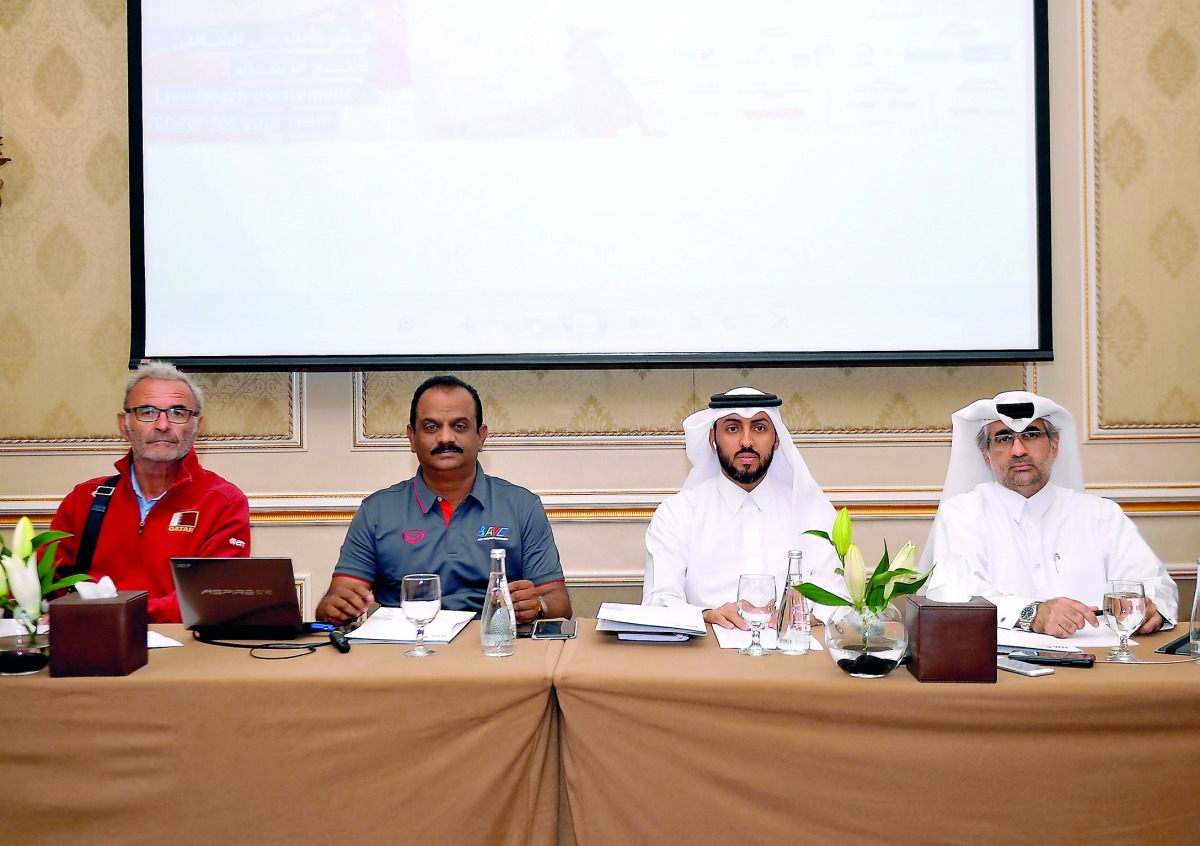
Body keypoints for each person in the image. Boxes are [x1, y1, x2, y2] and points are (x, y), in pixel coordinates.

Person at [316, 375, 571, 625]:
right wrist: (336, 606)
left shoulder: (522, 506)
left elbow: (558, 601)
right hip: (405, 651)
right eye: (431, 427)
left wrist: (538, 605)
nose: (445, 438)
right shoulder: (377, 510)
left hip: (493, 645)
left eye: (459, 426)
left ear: (480, 436)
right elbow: (337, 598)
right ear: (412, 437)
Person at [923, 391, 1177, 637]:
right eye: (1003, 438)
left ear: (1054, 447)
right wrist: (1032, 614)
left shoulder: (1101, 514)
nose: (1019, 450)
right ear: (986, 457)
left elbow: (1157, 586)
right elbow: (958, 596)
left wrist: (1151, 608)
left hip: (1099, 665)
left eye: (1031, 435)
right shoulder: (961, 514)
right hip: (1001, 670)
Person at [51, 361, 252, 623]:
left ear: (197, 426)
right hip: (93, 643)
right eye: (147, 412)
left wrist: (116, 614)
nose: (163, 424)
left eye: (178, 413)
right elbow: (46, 584)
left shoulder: (224, 502)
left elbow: (209, 596)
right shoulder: (84, 499)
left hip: (184, 651)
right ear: (124, 425)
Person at [642, 387, 839, 629]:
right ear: (713, 441)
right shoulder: (677, 514)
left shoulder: (813, 512)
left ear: (777, 441)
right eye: (733, 429)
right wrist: (705, 615)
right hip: (705, 659)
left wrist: (807, 616)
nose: (747, 441)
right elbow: (658, 603)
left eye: (759, 428)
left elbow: (841, 601)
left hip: (794, 656)